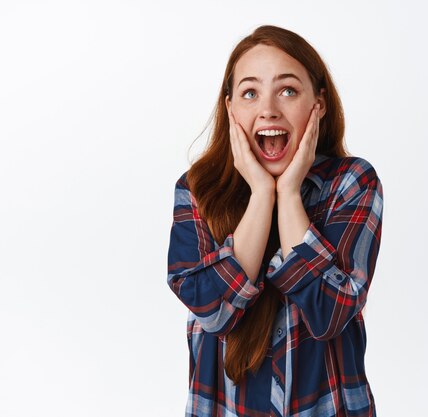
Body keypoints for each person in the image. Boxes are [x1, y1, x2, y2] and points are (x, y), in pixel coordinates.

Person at [167, 25, 384, 417]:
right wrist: (262, 195)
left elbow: (329, 313)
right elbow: (214, 311)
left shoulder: (353, 183)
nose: (268, 109)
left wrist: (287, 194)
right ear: (231, 109)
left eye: (287, 90)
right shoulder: (197, 190)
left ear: (318, 104)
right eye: (251, 93)